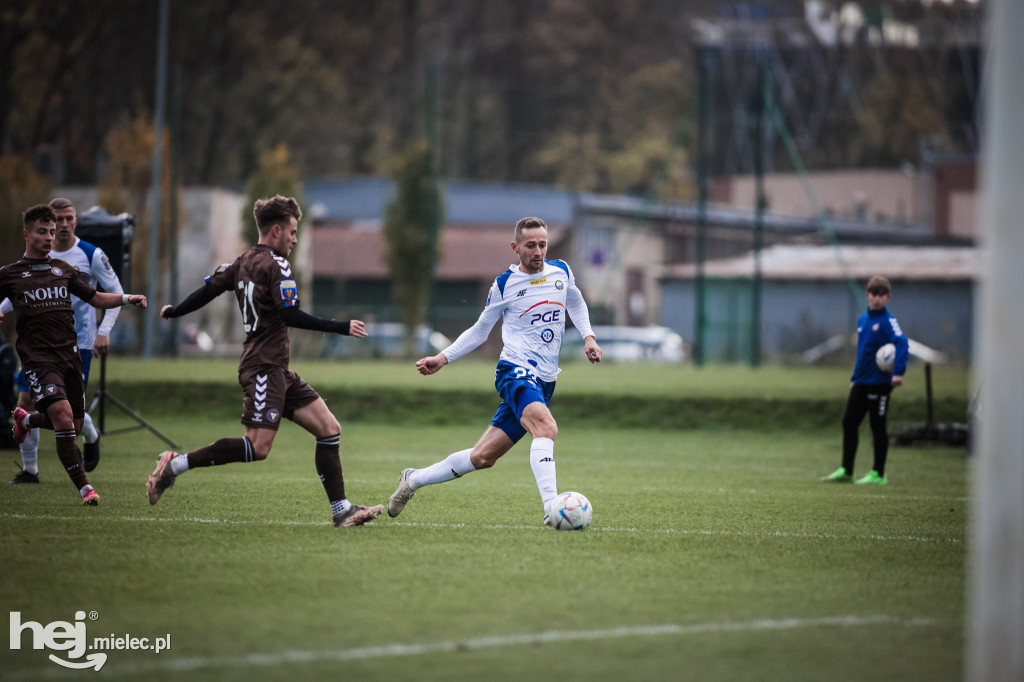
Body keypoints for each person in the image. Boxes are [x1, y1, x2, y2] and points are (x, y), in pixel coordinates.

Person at [149, 195, 382, 527]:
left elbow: (208, 289)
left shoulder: (241, 262)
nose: (295, 238)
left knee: (329, 429)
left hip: (276, 369)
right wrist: (340, 327)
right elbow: (290, 314)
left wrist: (174, 311)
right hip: (263, 368)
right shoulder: (277, 265)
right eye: (292, 231)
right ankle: (174, 465)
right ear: (276, 230)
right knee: (257, 447)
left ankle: (341, 509)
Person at [387, 216, 602, 526]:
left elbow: (576, 302)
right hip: (515, 370)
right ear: (516, 247)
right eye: (531, 246)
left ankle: (413, 479)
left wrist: (589, 337)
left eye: (543, 244)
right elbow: (480, 331)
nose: (538, 251)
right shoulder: (504, 285)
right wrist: (443, 357)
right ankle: (552, 510)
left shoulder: (562, 272)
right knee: (545, 427)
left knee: (483, 457)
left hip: (545, 379)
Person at [0, 204, 147, 505]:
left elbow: (95, 297)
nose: (49, 237)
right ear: (26, 234)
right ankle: (84, 488)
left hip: (72, 356)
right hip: (39, 361)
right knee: (64, 420)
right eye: (43, 231)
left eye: (52, 231)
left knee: (74, 426)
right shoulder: (11, 274)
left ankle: (26, 422)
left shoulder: (65, 270)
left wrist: (127, 298)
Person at [822, 275, 909, 485]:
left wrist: (898, 373)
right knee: (849, 422)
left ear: (887, 297)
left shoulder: (889, 322)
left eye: (881, 295)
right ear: (867, 295)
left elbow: (902, 344)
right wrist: (855, 378)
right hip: (861, 381)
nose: (876, 299)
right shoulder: (863, 320)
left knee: (877, 425)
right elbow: (863, 352)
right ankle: (847, 470)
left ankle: (878, 473)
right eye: (873, 294)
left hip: (880, 382)